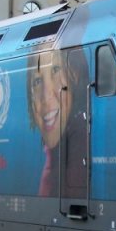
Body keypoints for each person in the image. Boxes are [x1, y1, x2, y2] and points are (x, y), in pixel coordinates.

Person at [27, 50, 88, 198]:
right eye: (37, 81)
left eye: (55, 70)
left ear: (74, 74)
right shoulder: (53, 159)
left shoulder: (81, 145)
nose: (46, 97)